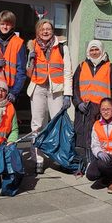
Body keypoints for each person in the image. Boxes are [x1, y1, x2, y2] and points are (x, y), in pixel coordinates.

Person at [26, 19, 73, 174]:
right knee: (37, 125)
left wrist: (68, 94)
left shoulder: (61, 46)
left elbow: (67, 72)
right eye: (42, 29)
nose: (45, 31)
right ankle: (38, 159)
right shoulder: (32, 46)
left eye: (48, 29)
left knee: (57, 124)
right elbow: (27, 72)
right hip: (38, 87)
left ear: (53, 31)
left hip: (56, 90)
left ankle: (58, 157)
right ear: (38, 31)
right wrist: (30, 59)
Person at [72, 40, 112, 163]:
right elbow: (75, 86)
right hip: (84, 108)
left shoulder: (110, 67)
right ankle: (83, 163)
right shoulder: (81, 66)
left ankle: (97, 162)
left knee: (100, 136)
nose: (94, 52)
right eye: (92, 50)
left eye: (97, 49)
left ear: (102, 50)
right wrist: (78, 103)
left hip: (101, 109)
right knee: (82, 135)